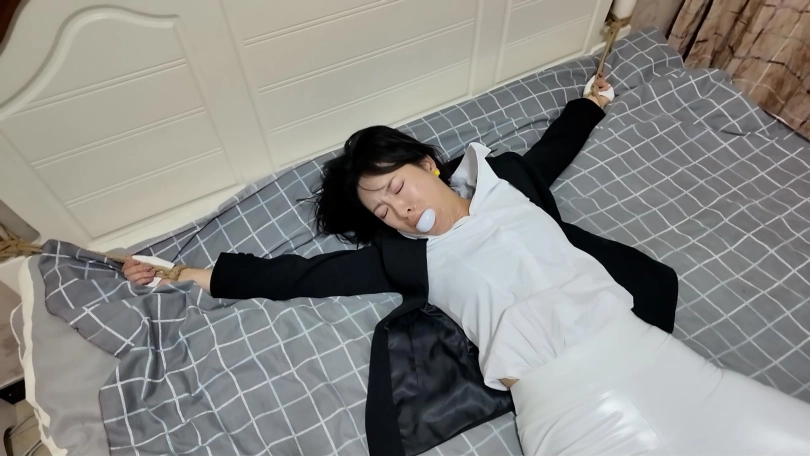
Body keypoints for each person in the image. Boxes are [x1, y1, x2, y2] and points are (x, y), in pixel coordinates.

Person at [124, 76, 810, 455]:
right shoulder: (408, 258)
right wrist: (183, 273)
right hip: (568, 410)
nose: (397, 210)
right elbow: (300, 278)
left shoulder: (508, 182)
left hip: (656, 360)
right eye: (381, 211)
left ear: (428, 164)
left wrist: (591, 102)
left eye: (396, 187)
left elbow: (554, 149)